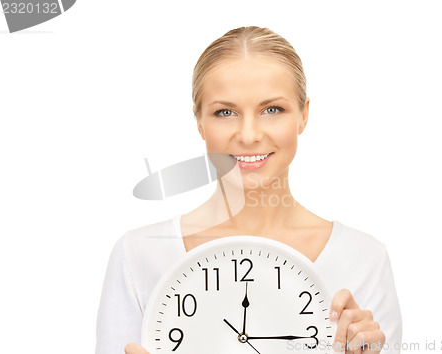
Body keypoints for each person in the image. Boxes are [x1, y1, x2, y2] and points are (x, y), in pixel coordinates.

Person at [95, 26, 402, 354]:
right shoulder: (139, 254)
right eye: (225, 112)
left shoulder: (364, 258)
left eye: (272, 110)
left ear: (303, 115)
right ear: (199, 122)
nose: (249, 134)